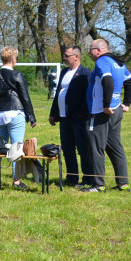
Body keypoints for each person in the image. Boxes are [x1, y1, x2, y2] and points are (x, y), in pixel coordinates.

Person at [83, 39, 131, 193]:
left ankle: (98, 185)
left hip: (101, 112)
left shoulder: (103, 62)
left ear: (98, 50)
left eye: (90, 49)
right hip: (116, 111)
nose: (89, 53)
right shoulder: (118, 63)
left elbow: (108, 81)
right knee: (115, 147)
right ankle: (123, 184)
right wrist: (126, 103)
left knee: (95, 148)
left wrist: (106, 105)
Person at [0, 47, 37, 190]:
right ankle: (16, 180)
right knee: (16, 147)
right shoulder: (17, 75)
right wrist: (32, 117)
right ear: (14, 59)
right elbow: (25, 97)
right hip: (15, 112)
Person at [49, 46, 92, 188]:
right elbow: (58, 94)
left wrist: (80, 113)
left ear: (76, 56)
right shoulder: (64, 72)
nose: (64, 58)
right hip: (64, 117)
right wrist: (53, 113)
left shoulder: (86, 73)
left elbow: (88, 97)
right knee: (67, 149)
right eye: (64, 56)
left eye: (67, 56)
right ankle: (72, 178)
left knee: (82, 149)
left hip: (79, 118)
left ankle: (88, 179)